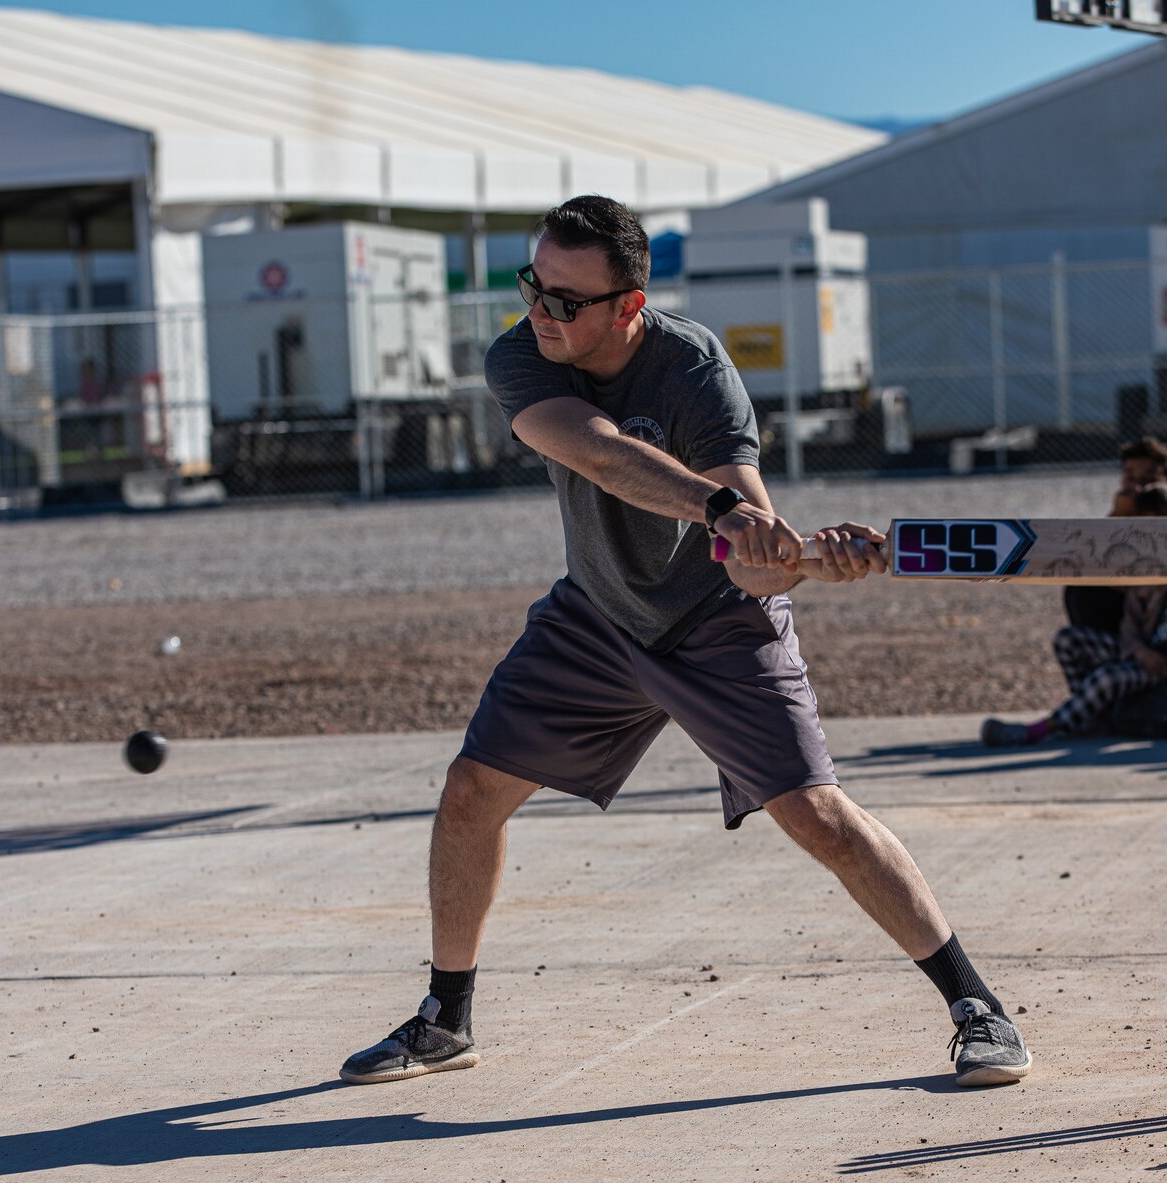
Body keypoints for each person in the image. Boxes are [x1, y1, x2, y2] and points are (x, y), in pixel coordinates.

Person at [339, 196, 1030, 1089]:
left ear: (628, 306)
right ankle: (447, 1016)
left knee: (818, 815)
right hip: (598, 613)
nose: (541, 312)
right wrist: (723, 511)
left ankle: (976, 1005)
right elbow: (591, 449)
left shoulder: (694, 368)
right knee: (472, 788)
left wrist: (802, 559)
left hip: (715, 620)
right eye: (534, 287)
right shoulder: (522, 353)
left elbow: (754, 567)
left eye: (566, 301)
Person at [983, 483, 1167, 746]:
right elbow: (1129, 623)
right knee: (1069, 640)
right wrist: (1139, 650)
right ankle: (1093, 717)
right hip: (1144, 655)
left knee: (1106, 678)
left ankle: (1039, 730)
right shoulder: (1146, 570)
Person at [1064, 436, 1167, 636]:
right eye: (1130, 478)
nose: (1137, 488)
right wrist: (1119, 515)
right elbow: (1088, 554)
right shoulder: (1126, 510)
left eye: (1147, 480)